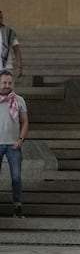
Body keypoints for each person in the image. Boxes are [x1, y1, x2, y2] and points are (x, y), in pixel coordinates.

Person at [0, 70, 28, 218]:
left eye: (10, 83)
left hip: (13, 145)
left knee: (16, 177)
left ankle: (18, 206)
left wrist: (21, 139)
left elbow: (25, 122)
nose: (7, 85)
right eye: (4, 82)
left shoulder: (19, 100)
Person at [0, 11, 23, 78]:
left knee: (7, 88)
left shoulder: (9, 32)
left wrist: (19, 67)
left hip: (7, 68)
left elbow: (17, 50)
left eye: (1, 17)